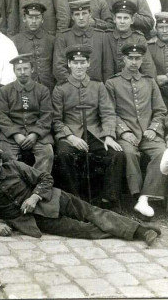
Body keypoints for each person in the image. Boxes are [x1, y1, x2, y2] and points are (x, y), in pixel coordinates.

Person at [0, 145, 161, 246]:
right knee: (84, 230)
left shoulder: (14, 166)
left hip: (52, 199)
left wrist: (34, 197)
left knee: (92, 213)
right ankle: (137, 229)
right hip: (34, 220)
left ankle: (141, 231)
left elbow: (45, 178)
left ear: (0, 162)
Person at [52, 45, 124, 210]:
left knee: (116, 154)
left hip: (95, 133)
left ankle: (109, 201)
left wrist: (109, 136)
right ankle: (74, 201)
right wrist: (70, 137)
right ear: (69, 64)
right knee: (64, 155)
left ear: (88, 63)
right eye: (75, 62)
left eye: (82, 62)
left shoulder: (98, 86)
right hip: (70, 135)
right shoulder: (60, 88)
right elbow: (56, 119)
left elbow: (107, 113)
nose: (78, 66)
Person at [105, 44, 168, 218]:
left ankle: (144, 198)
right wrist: (124, 132)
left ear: (142, 60)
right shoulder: (112, 83)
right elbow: (110, 112)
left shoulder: (149, 81)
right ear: (123, 59)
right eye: (130, 58)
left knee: (162, 152)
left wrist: (153, 129)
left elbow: (160, 110)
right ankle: (135, 196)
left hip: (148, 133)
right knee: (129, 153)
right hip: (126, 134)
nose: (134, 62)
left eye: (137, 58)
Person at [0, 54, 55, 174]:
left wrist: (35, 134)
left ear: (32, 69)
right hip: (11, 135)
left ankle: (40, 186)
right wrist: (15, 134)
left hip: (37, 134)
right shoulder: (4, 91)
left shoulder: (42, 90)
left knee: (47, 154)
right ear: (14, 71)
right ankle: (17, 186)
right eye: (19, 69)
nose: (22, 72)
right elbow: (0, 115)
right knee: (6, 155)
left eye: (26, 68)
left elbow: (46, 115)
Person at [53, 0, 114, 83]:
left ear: (90, 14)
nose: (81, 18)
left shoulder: (102, 36)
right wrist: (71, 84)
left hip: (96, 88)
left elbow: (108, 68)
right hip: (71, 87)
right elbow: (59, 67)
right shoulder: (63, 37)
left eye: (84, 13)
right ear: (72, 16)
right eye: (77, 14)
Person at [104, 0, 158, 78]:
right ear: (114, 19)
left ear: (132, 20)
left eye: (126, 18)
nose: (122, 21)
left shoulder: (139, 38)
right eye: (119, 18)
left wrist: (150, 87)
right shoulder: (105, 37)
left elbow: (147, 67)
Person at [12, 3, 55, 91]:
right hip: (24, 88)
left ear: (42, 19)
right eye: (30, 17)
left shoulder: (51, 40)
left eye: (37, 17)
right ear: (24, 18)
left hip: (49, 86)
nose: (34, 21)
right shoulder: (15, 41)